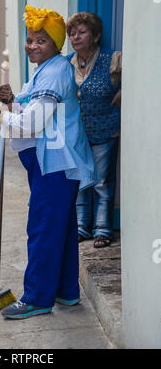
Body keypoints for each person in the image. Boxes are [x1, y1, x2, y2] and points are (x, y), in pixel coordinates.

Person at [0, 5, 99, 319]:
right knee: (62, 229)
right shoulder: (46, 68)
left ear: (55, 44)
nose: (32, 45)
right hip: (52, 166)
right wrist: (13, 103)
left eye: (41, 41)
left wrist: (5, 117)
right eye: (29, 40)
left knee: (41, 228)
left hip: (54, 166)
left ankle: (38, 298)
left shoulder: (53, 72)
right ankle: (66, 292)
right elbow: (30, 110)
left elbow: (32, 124)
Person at [66, 12, 122, 248]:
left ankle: (103, 229)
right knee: (80, 180)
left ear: (96, 35)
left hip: (105, 130)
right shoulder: (66, 63)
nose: (76, 37)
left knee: (101, 182)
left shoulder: (113, 58)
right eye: (72, 33)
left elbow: (146, 73)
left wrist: (126, 90)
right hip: (77, 133)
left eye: (82, 32)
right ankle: (81, 227)